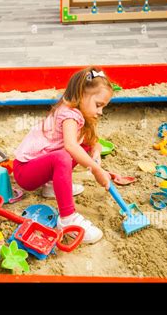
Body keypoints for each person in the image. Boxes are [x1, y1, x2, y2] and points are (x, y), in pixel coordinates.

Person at [13, 66, 114, 244]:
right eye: (98, 105)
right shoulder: (69, 115)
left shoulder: (79, 112)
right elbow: (70, 146)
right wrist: (96, 170)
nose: (100, 112)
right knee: (65, 155)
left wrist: (95, 152)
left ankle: (52, 187)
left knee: (81, 147)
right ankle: (68, 220)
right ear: (81, 94)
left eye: (103, 107)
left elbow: (93, 142)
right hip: (25, 173)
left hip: (38, 167)